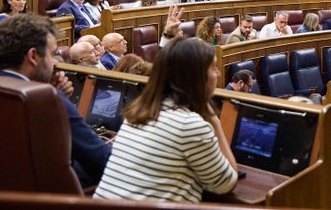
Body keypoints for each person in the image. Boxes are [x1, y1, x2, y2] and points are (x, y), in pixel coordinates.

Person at [94, 36, 237, 202]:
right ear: (196, 77)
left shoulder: (138, 112)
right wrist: (214, 119)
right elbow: (226, 183)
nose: (218, 73)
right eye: (213, 67)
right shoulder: (189, 125)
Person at [0, 14, 112, 187]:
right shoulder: (47, 99)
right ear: (33, 56)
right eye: (52, 55)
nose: (56, 64)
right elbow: (103, 161)